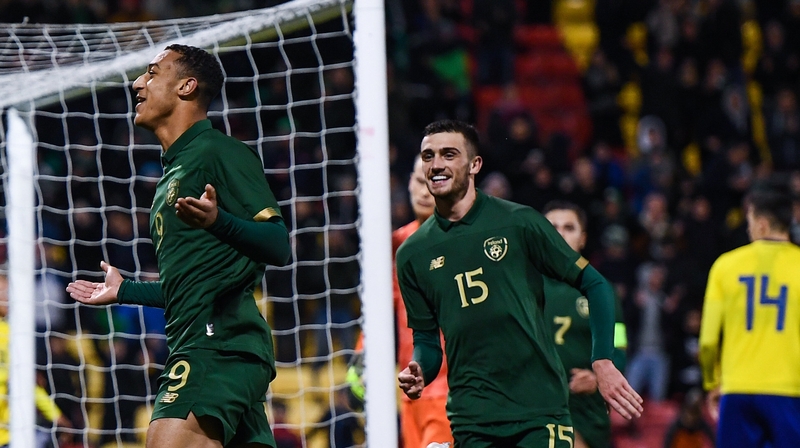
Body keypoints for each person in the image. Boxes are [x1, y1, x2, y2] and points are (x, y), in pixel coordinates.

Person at [66, 44, 291, 448]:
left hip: (216, 344)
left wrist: (219, 221)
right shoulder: (172, 174)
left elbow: (277, 245)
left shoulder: (219, 151)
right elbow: (190, 285)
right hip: (205, 342)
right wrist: (125, 291)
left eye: (152, 72)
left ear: (187, 86)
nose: (138, 83)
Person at [396, 119, 642, 447]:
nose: (436, 164)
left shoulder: (518, 222)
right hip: (471, 418)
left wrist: (603, 361)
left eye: (448, 154)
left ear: (474, 165)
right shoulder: (412, 253)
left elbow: (596, 285)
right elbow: (427, 342)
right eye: (428, 156)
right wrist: (420, 369)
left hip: (538, 413)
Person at [349, 156, 452, 448]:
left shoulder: (462, 242)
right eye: (419, 181)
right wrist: (363, 353)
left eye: (432, 183)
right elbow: (382, 309)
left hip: (451, 390)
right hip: (411, 390)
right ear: (408, 183)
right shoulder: (396, 245)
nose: (424, 191)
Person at [699, 181, 800, 448]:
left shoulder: (724, 266)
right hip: (790, 391)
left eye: (750, 220)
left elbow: (708, 341)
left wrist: (713, 382)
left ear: (763, 223)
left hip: (737, 390)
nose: (748, 227)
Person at [542, 201, 628, 448]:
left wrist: (595, 378)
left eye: (569, 227)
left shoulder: (601, 291)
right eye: (552, 227)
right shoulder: (520, 287)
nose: (559, 233)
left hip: (586, 413)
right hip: (535, 408)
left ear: (583, 239)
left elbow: (619, 351)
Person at [0, 273, 72, 448]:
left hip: (9, 433)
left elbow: (25, 382)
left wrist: (56, 416)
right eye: (3, 292)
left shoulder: (10, 333)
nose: (9, 298)